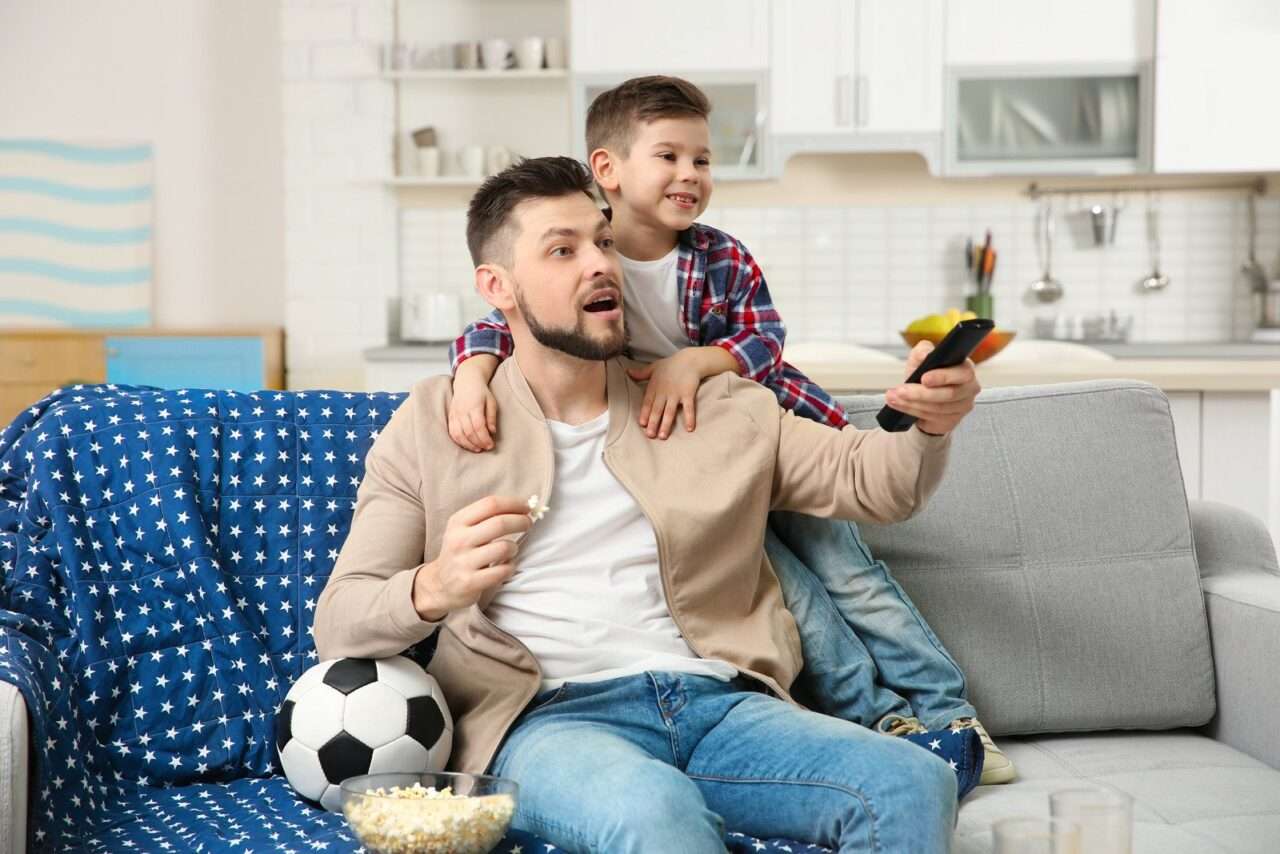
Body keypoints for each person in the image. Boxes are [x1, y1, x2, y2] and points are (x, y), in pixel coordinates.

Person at [314, 157, 984, 853]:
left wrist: (928, 424)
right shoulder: (433, 423)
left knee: (914, 780)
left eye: (603, 242)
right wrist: (436, 586)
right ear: (497, 287)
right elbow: (340, 622)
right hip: (550, 723)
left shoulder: (710, 404)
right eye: (562, 250)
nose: (599, 265)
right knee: (653, 810)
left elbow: (878, 482)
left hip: (724, 706)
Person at [445, 75, 1014, 783]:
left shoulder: (720, 256)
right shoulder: (585, 258)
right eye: (670, 157)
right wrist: (470, 374)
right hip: (694, 472)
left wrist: (694, 364)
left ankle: (948, 713)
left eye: (703, 161)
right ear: (607, 170)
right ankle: (883, 719)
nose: (690, 174)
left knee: (851, 577)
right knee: (794, 598)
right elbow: (504, 322)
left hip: (768, 441)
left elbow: (764, 340)